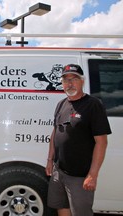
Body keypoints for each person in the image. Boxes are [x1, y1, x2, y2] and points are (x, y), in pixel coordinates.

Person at [45, 64, 112, 216]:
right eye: (66, 80)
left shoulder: (93, 105)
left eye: (74, 79)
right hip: (58, 171)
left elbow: (102, 142)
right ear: (62, 83)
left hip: (80, 176)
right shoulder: (61, 104)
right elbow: (55, 132)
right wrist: (50, 160)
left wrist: (92, 175)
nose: (69, 83)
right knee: (61, 207)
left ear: (82, 81)